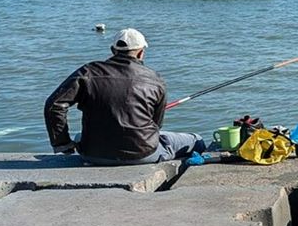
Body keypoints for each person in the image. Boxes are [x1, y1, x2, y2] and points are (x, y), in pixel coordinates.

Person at [44, 28, 205, 165]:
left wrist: (62, 143)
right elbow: (156, 125)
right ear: (141, 53)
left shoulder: (88, 72)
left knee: (80, 136)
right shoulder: (155, 79)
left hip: (93, 153)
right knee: (195, 139)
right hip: (143, 154)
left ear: (113, 50)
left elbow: (54, 105)